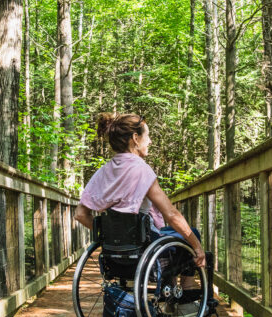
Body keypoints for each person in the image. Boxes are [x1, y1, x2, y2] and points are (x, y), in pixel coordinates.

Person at [74, 112, 206, 270]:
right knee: (192, 234)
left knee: (171, 232)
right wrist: (197, 246)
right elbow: (171, 215)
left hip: (114, 251)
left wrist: (110, 236)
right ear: (135, 138)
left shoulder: (103, 172)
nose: (150, 141)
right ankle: (188, 286)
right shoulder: (141, 169)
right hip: (144, 249)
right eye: (148, 136)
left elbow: (80, 214)